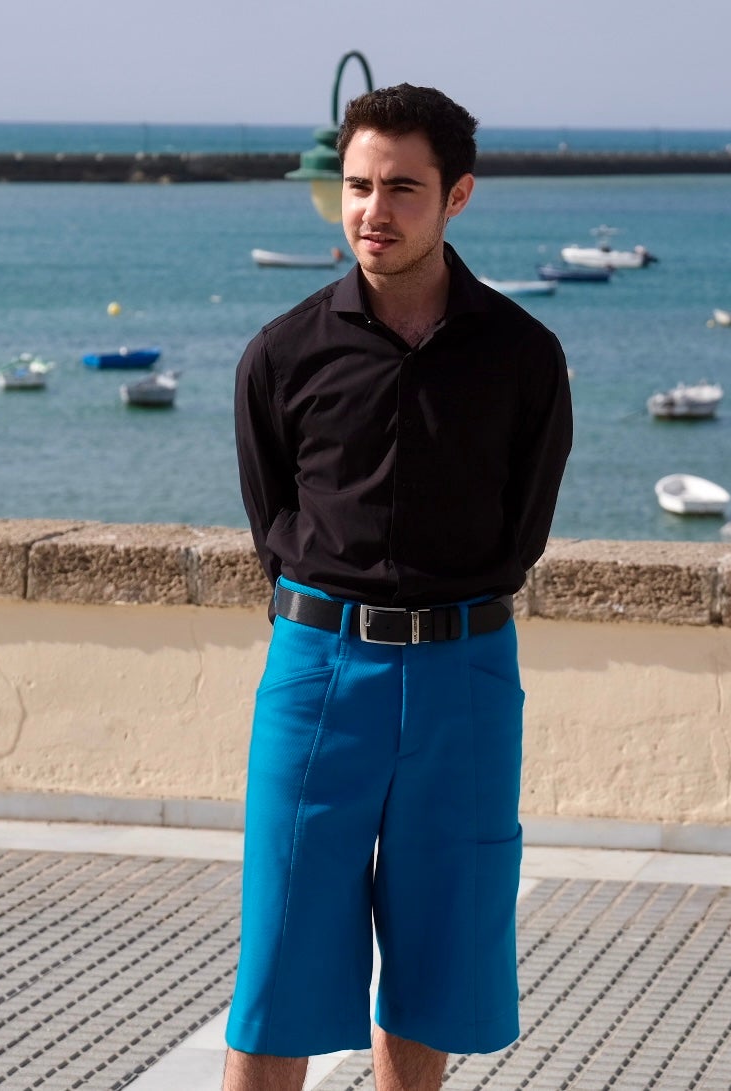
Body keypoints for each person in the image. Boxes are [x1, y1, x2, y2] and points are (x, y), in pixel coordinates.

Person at [226, 84, 572, 1091]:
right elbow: (272, 520)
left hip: (466, 672)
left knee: (438, 952)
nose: (373, 210)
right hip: (317, 667)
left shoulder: (521, 355)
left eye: (401, 188)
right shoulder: (282, 353)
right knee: (279, 954)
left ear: (456, 195)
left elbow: (523, 525)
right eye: (357, 185)